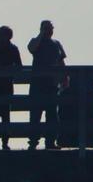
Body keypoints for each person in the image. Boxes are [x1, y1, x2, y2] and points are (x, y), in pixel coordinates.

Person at [27, 20, 67, 149]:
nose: (49, 30)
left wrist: (65, 76)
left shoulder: (56, 44)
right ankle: (33, 142)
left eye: (50, 28)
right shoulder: (35, 41)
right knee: (35, 114)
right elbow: (31, 48)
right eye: (46, 28)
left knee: (52, 114)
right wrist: (41, 34)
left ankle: (50, 142)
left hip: (52, 83)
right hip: (37, 83)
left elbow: (61, 61)